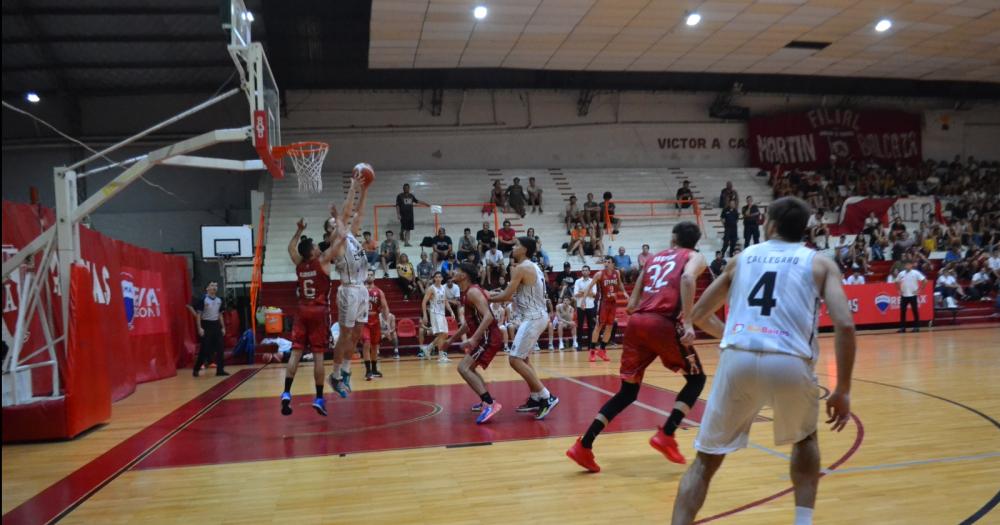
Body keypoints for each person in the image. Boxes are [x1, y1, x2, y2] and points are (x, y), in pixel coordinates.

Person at [673, 196, 857, 525]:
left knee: (705, 461)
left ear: (768, 223)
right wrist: (842, 389)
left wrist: (739, 335)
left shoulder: (742, 258)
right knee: (805, 438)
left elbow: (699, 314)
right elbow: (844, 324)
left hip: (738, 357)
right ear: (804, 229)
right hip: (789, 360)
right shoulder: (820, 263)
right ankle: (803, 521)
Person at [566, 222, 709, 472]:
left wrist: (633, 304)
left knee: (628, 392)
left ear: (673, 238)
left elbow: (633, 299)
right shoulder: (694, 256)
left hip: (637, 323)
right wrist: (687, 321)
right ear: (695, 241)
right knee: (696, 380)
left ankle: (584, 445)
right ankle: (667, 433)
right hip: (663, 322)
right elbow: (687, 277)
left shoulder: (654, 258)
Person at [488, 236, 560, 420]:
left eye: (518, 244)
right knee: (524, 359)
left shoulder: (522, 268)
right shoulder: (531, 267)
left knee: (514, 360)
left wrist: (486, 297)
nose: (514, 246)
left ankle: (546, 396)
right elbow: (513, 293)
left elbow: (507, 295)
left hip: (533, 318)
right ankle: (536, 397)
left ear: (525, 250)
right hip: (536, 315)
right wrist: (496, 294)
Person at [280, 216, 343, 416]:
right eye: (315, 246)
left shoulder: (300, 263)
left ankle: (286, 393)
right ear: (312, 252)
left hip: (301, 311)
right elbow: (338, 243)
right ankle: (318, 398)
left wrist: (299, 230)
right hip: (318, 312)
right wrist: (337, 224)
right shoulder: (322, 262)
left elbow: (291, 248)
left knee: (296, 353)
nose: (318, 247)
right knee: (318, 356)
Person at [326, 172, 372, 400]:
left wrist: (364, 191)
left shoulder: (351, 236)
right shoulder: (337, 240)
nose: (339, 222)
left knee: (357, 334)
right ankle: (334, 375)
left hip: (362, 288)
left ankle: (345, 370)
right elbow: (345, 213)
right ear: (330, 230)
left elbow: (359, 213)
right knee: (344, 335)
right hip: (348, 290)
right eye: (334, 223)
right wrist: (353, 188)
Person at [445, 263, 505, 424]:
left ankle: (490, 404)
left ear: (464, 275)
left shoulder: (472, 292)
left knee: (463, 368)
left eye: (457, 270)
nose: (453, 272)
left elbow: (489, 317)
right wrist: (452, 339)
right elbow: (468, 324)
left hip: (489, 337)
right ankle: (486, 399)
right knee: (468, 368)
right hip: (485, 337)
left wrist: (473, 339)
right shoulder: (466, 293)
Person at [586, 257, 627, 362]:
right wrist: (583, 300)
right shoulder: (599, 274)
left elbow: (620, 284)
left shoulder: (617, 273)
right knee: (599, 326)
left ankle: (602, 350)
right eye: (605, 262)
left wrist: (625, 293)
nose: (606, 263)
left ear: (613, 263)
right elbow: (590, 286)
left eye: (608, 262)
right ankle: (592, 351)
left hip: (613, 303)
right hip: (603, 303)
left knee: (610, 326)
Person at [188, 281, 228, 377]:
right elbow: (198, 315)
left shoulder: (219, 300)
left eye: (216, 285)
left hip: (216, 325)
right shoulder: (203, 300)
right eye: (212, 285)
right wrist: (200, 328)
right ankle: (196, 368)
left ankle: (220, 370)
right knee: (205, 349)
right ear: (207, 288)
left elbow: (220, 315)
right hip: (206, 325)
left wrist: (223, 327)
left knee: (220, 348)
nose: (214, 287)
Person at [362, 271, 390, 381]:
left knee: (374, 345)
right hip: (363, 321)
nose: (369, 276)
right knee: (366, 343)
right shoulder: (360, 290)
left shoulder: (379, 291)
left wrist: (386, 321)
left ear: (374, 277)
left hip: (375, 320)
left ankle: (374, 369)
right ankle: (368, 371)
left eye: (371, 274)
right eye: (367, 274)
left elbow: (385, 307)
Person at [421, 272, 452, 362]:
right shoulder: (431, 289)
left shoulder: (443, 288)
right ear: (434, 279)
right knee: (441, 334)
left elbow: (445, 301)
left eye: (439, 277)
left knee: (445, 334)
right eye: (436, 277)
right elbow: (424, 302)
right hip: (434, 313)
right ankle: (441, 356)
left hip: (442, 313)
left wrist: (451, 311)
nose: (438, 278)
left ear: (442, 278)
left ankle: (428, 348)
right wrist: (425, 315)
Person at [896, 258, 926, 333]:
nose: (907, 266)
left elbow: (924, 280)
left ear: (911, 265)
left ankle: (916, 327)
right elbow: (896, 281)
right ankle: (902, 328)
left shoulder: (915, 273)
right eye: (906, 265)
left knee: (915, 311)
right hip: (904, 295)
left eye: (909, 264)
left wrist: (920, 289)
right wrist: (899, 290)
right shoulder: (901, 273)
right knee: (902, 311)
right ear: (904, 265)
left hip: (912, 295)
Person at [573, 265, 597, 352]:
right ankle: (579, 345)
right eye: (583, 270)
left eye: (586, 270)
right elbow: (575, 294)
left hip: (590, 306)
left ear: (589, 272)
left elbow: (594, 294)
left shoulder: (593, 281)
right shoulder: (577, 281)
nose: (584, 272)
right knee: (580, 326)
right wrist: (587, 292)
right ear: (581, 271)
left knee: (591, 326)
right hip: (580, 306)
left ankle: (590, 345)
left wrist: (582, 292)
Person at [395, 183, 424, 247]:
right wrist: (398, 214)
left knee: (408, 229)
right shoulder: (399, 196)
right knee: (403, 227)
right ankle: (401, 233)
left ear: (409, 188)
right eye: (405, 188)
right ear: (403, 189)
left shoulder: (411, 196)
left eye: (407, 188)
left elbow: (417, 201)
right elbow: (397, 205)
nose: (406, 189)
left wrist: (426, 204)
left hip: (410, 215)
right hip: (403, 215)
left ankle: (406, 243)